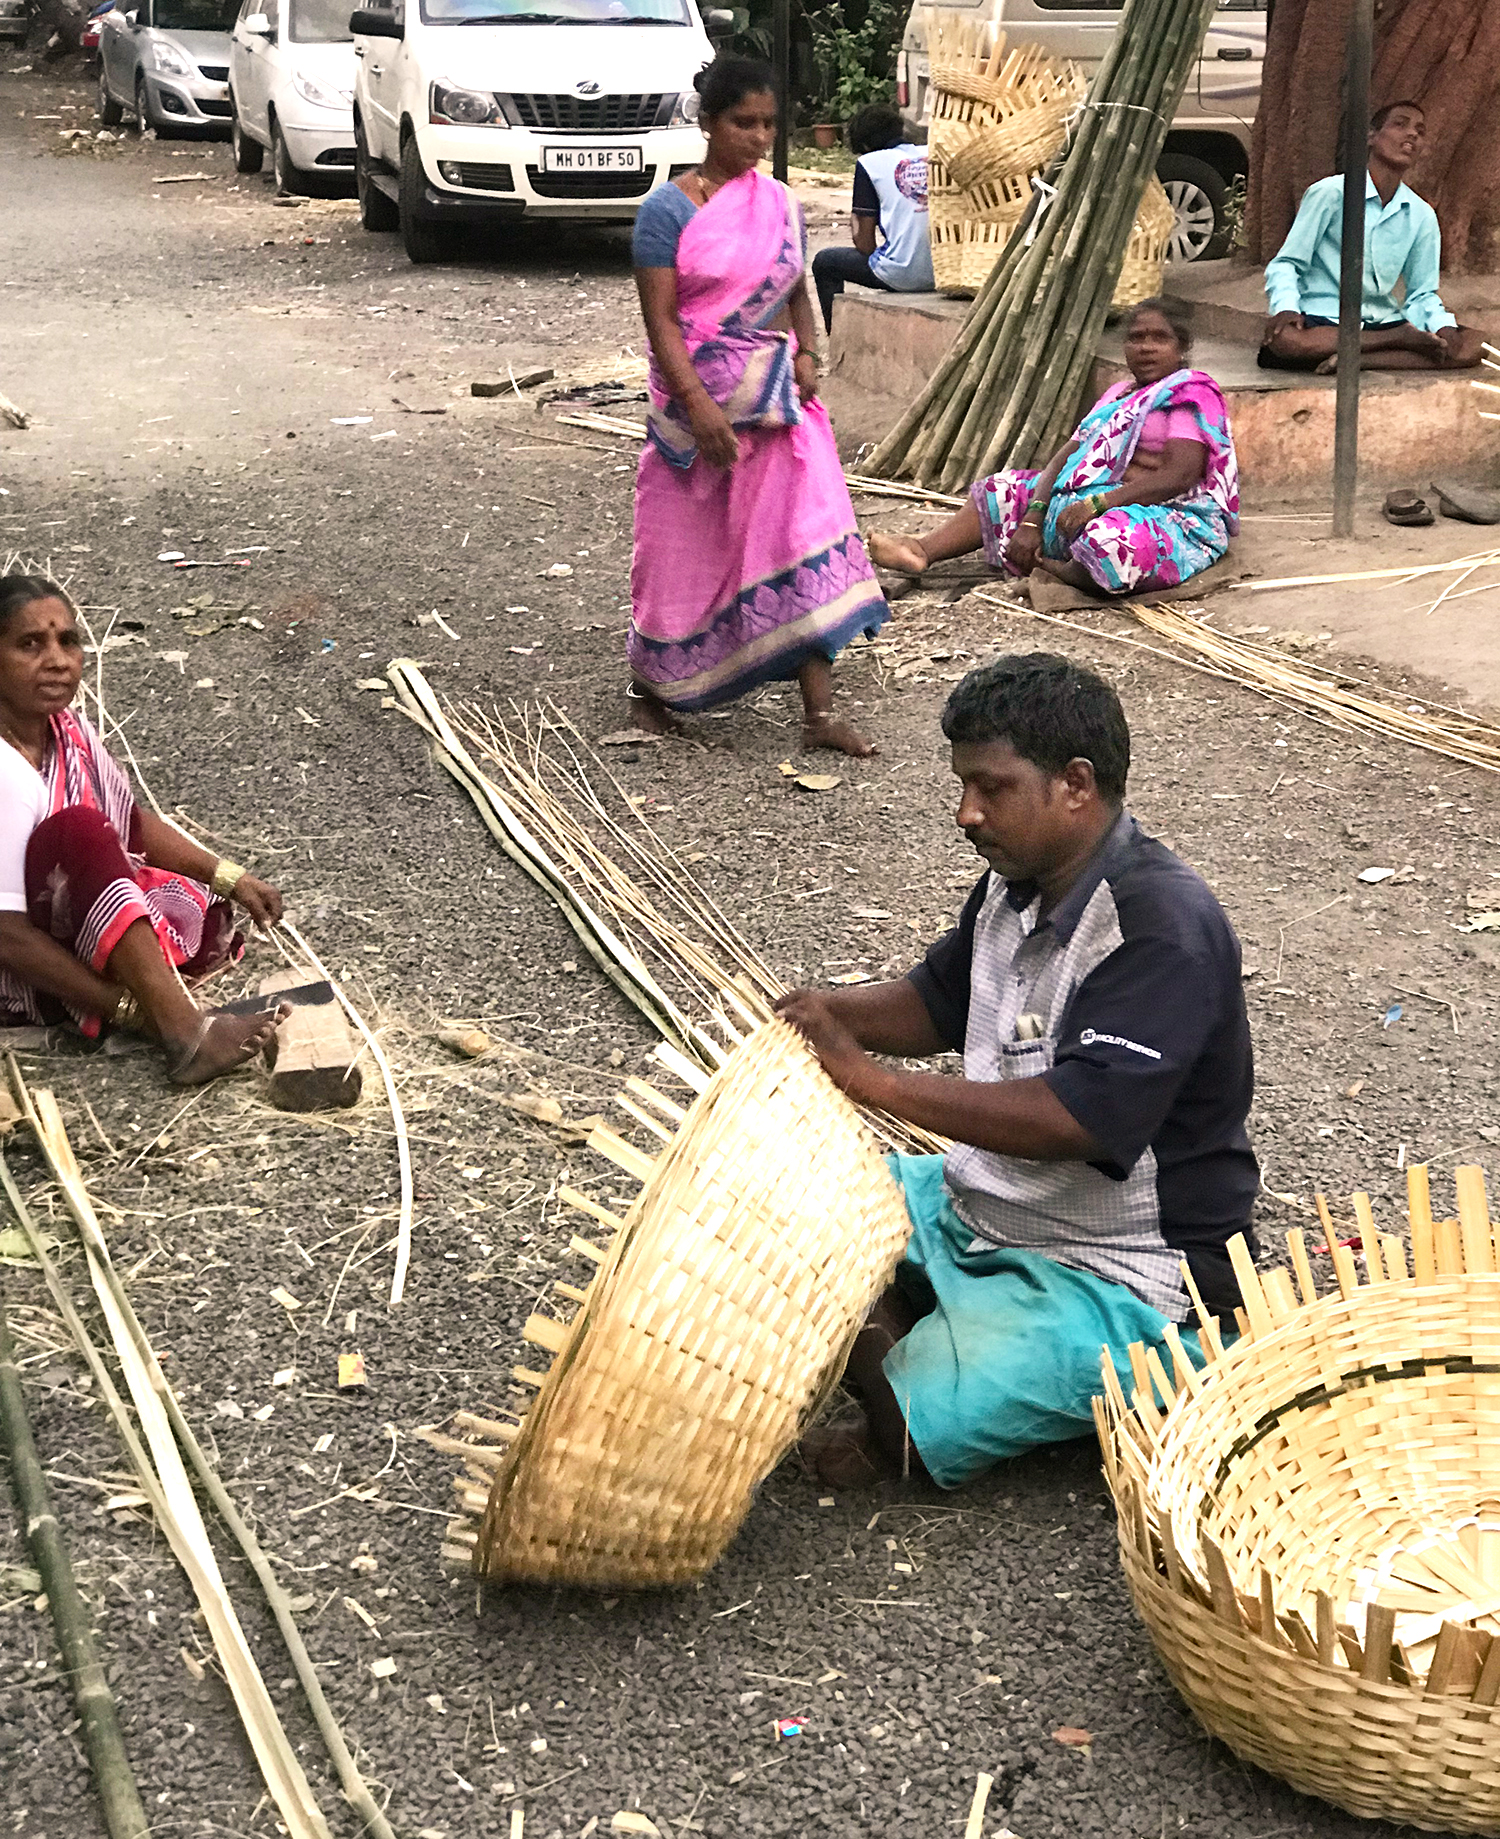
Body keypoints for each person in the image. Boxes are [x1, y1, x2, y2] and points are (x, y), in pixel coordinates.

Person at [776, 654, 1258, 1490]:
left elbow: (1075, 1119)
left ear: (1075, 784)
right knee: (790, 1209)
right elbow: (937, 1000)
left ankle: (930, 1337)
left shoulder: (1158, 929)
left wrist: (873, 1082)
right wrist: (829, 1011)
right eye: (964, 785)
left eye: (990, 787)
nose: (966, 812)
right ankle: (922, 1308)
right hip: (987, 1202)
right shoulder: (1019, 881)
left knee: (912, 1426)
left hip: (1124, 1265)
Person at [627, 56, 889, 758]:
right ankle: (657, 688)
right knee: (681, 553)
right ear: (708, 122)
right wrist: (699, 406)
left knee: (798, 541)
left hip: (778, 409)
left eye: (769, 125)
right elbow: (663, 323)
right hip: (696, 419)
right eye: (743, 122)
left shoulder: (776, 203)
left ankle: (818, 713)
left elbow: (796, 290)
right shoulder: (666, 212)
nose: (758, 137)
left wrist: (806, 352)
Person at [0, 575, 287, 1084]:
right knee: (79, 831)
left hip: (56, 920)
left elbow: (127, 823)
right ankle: (184, 1034)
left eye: (68, 641)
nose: (59, 660)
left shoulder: (68, 730)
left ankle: (159, 997)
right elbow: (5, 936)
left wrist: (230, 877)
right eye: (30, 644)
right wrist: (135, 1012)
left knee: (196, 913)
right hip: (18, 970)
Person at [867, 299, 1238, 598]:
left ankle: (1055, 568)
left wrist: (1098, 504)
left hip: (1168, 514)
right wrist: (1034, 516)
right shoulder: (1119, 394)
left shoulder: (1191, 393)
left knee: (1111, 542)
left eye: (1159, 338)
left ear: (1182, 347)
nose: (1145, 348)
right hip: (1092, 499)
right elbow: (1067, 455)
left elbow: (1180, 474)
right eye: (1136, 338)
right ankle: (922, 550)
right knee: (1003, 490)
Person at [1260, 101, 1485, 374]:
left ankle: (1364, 359)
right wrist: (1285, 308)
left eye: (1420, 131)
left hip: (1383, 319)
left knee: (1476, 345)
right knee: (1287, 342)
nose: (1412, 134)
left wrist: (1443, 327)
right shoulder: (1331, 194)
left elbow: (1422, 293)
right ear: (1371, 136)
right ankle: (1394, 343)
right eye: (1400, 124)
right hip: (1327, 321)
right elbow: (1287, 263)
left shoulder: (1421, 214)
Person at [810, 102, 933, 336]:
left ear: (865, 145)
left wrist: (857, 220)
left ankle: (836, 336)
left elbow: (865, 245)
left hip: (903, 275)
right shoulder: (929, 152)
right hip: (945, 271)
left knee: (825, 263)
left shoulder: (869, 163)